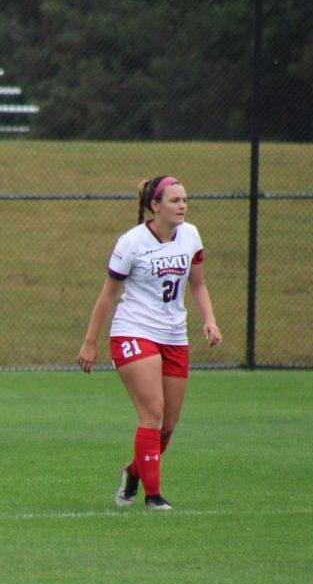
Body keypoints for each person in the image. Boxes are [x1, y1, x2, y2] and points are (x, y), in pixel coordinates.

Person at [77, 176, 222, 509]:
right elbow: (107, 296)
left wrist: (210, 320)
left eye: (185, 199)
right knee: (152, 414)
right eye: (174, 200)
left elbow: (197, 286)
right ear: (154, 206)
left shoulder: (191, 235)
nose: (182, 205)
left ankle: (133, 471)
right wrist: (90, 342)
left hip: (174, 336)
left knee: (168, 426)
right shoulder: (132, 242)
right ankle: (153, 497)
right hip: (134, 331)